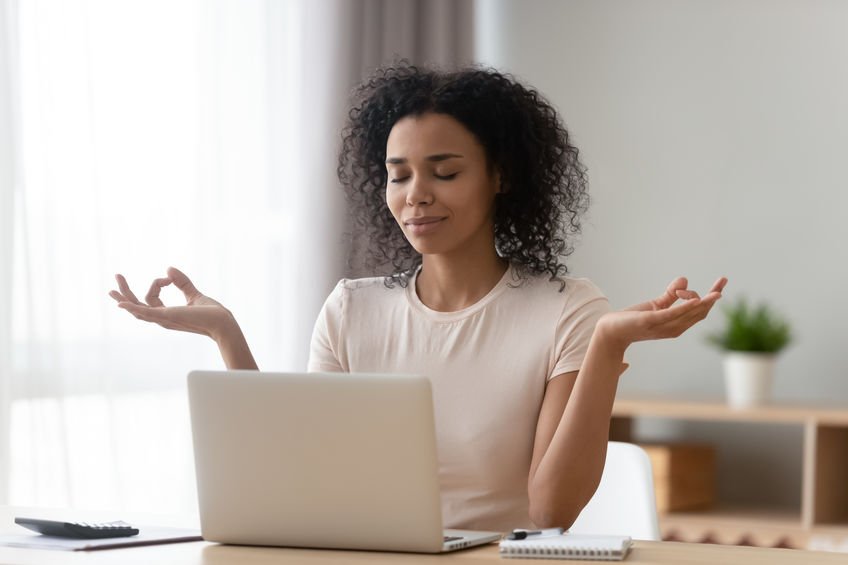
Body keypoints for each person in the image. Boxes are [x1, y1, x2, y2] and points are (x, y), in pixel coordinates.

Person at [110, 63, 727, 532]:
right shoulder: (352, 309)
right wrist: (227, 335)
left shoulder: (569, 309)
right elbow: (299, 484)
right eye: (398, 174)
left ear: (500, 176)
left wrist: (609, 344)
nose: (416, 195)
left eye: (445, 171)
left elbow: (549, 512)